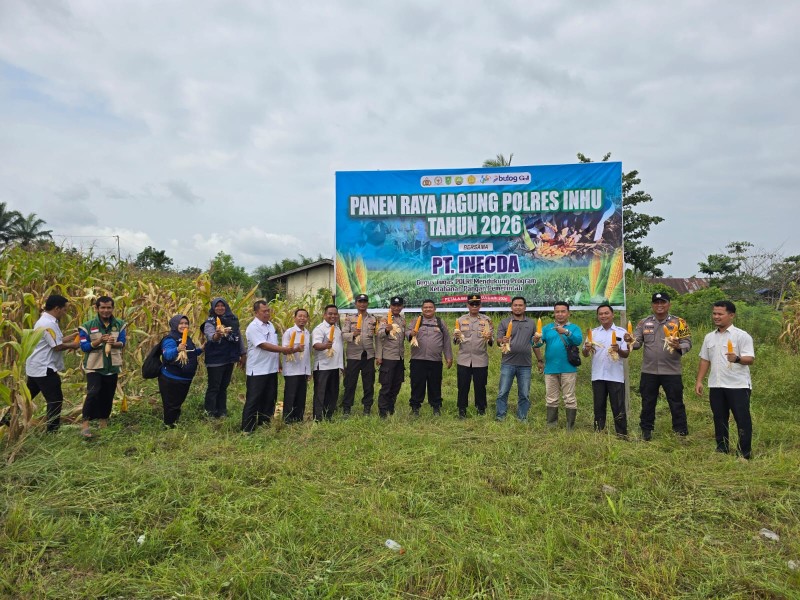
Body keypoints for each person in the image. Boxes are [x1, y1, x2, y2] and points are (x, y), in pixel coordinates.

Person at [695, 301, 755, 459]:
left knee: (742, 419)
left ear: (731, 315)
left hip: (737, 385)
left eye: (720, 314)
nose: (716, 317)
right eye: (714, 313)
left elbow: (750, 359)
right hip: (716, 384)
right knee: (719, 418)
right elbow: (705, 360)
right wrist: (699, 381)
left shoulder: (742, 336)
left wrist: (737, 358)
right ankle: (722, 448)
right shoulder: (709, 337)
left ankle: (744, 453)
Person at [630, 292, 692, 440]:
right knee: (648, 402)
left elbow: (688, 343)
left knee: (676, 402)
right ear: (652, 305)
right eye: (656, 302)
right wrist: (630, 340)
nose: (659, 305)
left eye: (663, 302)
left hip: (671, 371)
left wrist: (678, 346)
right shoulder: (643, 323)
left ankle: (680, 431)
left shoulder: (679, 322)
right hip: (649, 370)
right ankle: (646, 431)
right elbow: (637, 343)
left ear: (669, 304)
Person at [25, 294, 81, 432]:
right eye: (64, 310)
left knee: (25, 399)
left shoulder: (44, 321)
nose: (65, 313)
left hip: (36, 367)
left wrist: (72, 336)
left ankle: (6, 421)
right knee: (55, 400)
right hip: (45, 368)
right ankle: (52, 432)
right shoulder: (48, 323)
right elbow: (57, 346)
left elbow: (54, 340)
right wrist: (74, 345)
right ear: (57, 308)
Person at [242, 300, 297, 433]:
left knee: (269, 399)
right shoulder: (253, 327)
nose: (267, 313)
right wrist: (285, 350)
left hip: (271, 369)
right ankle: (247, 429)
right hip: (257, 370)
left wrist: (278, 362)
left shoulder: (270, 325)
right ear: (256, 313)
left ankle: (264, 424)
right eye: (264, 311)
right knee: (254, 400)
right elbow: (263, 345)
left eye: (268, 310)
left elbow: (273, 344)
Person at [78, 296, 127, 438]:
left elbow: (122, 343)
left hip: (112, 366)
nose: (106, 310)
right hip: (94, 366)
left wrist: (113, 343)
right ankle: (85, 424)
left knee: (108, 394)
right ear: (97, 308)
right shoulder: (87, 326)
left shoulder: (120, 324)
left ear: (113, 308)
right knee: (93, 392)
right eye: (103, 308)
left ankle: (103, 422)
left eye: (109, 307)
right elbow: (84, 347)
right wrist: (99, 341)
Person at [534, 301, 583, 430]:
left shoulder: (574, 328)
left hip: (568, 368)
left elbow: (578, 341)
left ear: (568, 313)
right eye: (557, 312)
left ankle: (570, 427)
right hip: (550, 368)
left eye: (563, 311)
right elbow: (537, 344)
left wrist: (566, 332)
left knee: (569, 398)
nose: (560, 314)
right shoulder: (547, 328)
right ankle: (551, 425)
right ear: (554, 313)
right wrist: (535, 340)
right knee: (551, 398)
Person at [582, 304, 629, 436]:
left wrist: (618, 350)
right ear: (598, 316)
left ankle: (621, 434)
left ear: (612, 314)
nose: (603, 316)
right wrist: (586, 349)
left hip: (615, 376)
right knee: (599, 406)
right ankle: (599, 432)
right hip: (598, 375)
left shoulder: (622, 332)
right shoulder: (593, 333)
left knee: (618, 406)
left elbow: (626, 354)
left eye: (606, 313)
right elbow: (585, 353)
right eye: (601, 314)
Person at [496, 296, 542, 421]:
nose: (518, 307)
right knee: (503, 392)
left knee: (524, 393)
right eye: (515, 305)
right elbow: (498, 341)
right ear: (511, 307)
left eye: (520, 305)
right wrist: (503, 340)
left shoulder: (531, 323)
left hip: (525, 364)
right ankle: (500, 416)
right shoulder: (504, 322)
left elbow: (535, 344)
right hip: (508, 362)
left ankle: (522, 417)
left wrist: (540, 360)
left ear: (525, 307)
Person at [202, 297, 245, 419]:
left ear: (226, 307)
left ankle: (222, 411)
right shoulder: (210, 322)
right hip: (215, 359)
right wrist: (218, 334)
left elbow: (238, 337)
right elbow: (211, 337)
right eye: (217, 306)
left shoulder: (233, 320)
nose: (220, 308)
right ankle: (210, 412)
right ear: (213, 308)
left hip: (229, 358)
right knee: (214, 387)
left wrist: (243, 354)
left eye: (222, 305)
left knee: (223, 387)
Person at [407, 299, 452, 416]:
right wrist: (411, 334)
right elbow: (407, 333)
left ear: (434, 309)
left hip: (435, 360)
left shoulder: (440, 322)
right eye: (425, 307)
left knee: (435, 384)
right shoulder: (416, 321)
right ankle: (415, 408)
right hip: (418, 360)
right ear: (422, 309)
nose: (428, 309)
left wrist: (448, 357)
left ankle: (436, 407)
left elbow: (446, 341)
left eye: (430, 307)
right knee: (417, 384)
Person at [453, 293, 494, 418]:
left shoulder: (486, 320)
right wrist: (456, 337)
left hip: (480, 359)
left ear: (480, 305)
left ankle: (481, 409)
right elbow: (455, 341)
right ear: (468, 305)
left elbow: (491, 342)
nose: (474, 306)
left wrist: (489, 337)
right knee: (463, 386)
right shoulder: (460, 320)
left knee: (480, 386)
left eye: (477, 304)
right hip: (464, 359)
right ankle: (462, 410)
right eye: (472, 304)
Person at [159, 315, 203, 428]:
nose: (184, 326)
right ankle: (169, 427)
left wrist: (201, 349)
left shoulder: (187, 338)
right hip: (171, 378)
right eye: (181, 323)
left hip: (185, 378)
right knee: (171, 405)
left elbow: (190, 353)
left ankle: (174, 424)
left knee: (177, 404)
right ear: (174, 325)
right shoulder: (170, 339)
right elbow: (167, 355)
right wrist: (177, 349)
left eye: (186, 323)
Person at [341, 293, 378, 416]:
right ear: (356, 303)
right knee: (350, 383)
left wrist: (378, 355)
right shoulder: (349, 319)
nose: (362, 304)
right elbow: (343, 335)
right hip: (353, 355)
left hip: (368, 355)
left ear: (367, 303)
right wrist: (353, 334)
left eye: (364, 302)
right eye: (360, 302)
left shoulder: (373, 319)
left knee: (368, 383)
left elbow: (377, 337)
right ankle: (347, 408)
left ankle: (367, 407)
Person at [376, 296, 407, 418]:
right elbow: (379, 334)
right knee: (386, 385)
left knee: (397, 384)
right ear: (390, 306)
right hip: (388, 357)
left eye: (399, 306)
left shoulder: (402, 319)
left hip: (399, 357)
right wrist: (386, 330)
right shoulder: (385, 319)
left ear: (402, 307)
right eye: (394, 305)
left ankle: (391, 408)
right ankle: (383, 411)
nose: (396, 308)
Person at [312, 304, 344, 421]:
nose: (333, 316)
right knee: (321, 393)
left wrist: (342, 365)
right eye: (330, 314)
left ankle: (328, 416)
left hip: (335, 366)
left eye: (335, 314)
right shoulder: (319, 329)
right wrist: (325, 345)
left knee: (332, 392)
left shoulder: (337, 329)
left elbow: (340, 348)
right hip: (323, 367)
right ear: (324, 315)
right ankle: (318, 418)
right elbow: (316, 345)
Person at [281, 308, 312, 423]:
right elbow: (284, 350)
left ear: (307, 319)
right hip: (292, 370)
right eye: (300, 316)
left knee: (301, 396)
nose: (302, 318)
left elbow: (308, 353)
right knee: (290, 395)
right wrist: (296, 349)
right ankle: (287, 419)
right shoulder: (289, 332)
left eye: (305, 316)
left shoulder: (307, 333)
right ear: (295, 318)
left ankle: (298, 418)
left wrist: (309, 371)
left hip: (303, 370)